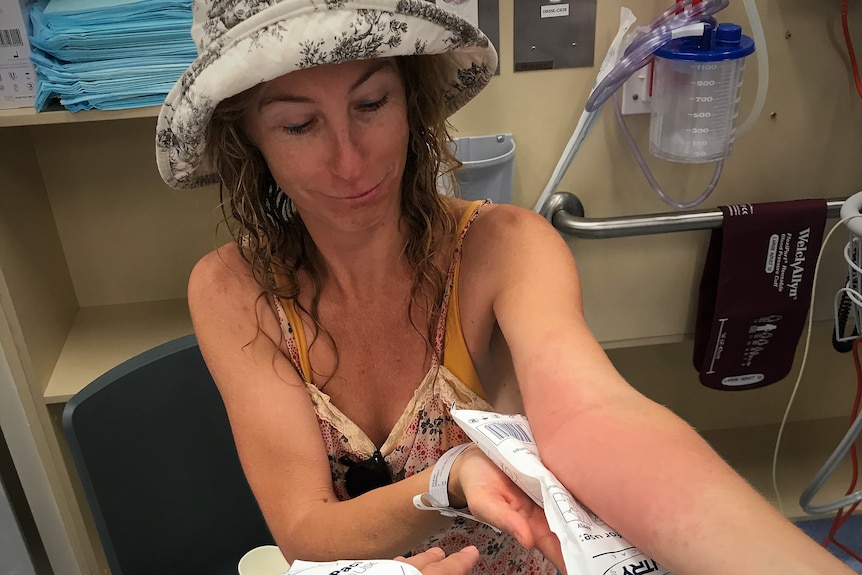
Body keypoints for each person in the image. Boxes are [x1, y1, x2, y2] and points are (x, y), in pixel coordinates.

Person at [155, 1, 855, 574]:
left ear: (411, 97)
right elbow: (304, 527)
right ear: (248, 140)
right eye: (300, 124)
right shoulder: (233, 292)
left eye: (371, 101)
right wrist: (447, 477)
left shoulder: (503, 250)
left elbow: (598, 420)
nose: (349, 158)